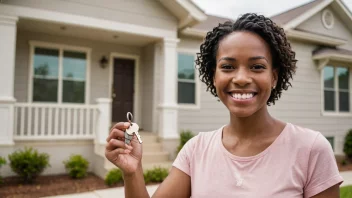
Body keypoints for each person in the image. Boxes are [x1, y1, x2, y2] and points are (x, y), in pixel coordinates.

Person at [105, 13, 343, 198]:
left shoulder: (310, 149)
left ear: (274, 76)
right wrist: (132, 171)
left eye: (257, 66)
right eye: (228, 67)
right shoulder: (196, 150)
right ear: (214, 76)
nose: (240, 78)